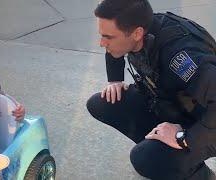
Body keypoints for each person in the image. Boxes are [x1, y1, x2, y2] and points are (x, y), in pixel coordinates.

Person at [86, 0, 216, 179]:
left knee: (144, 159)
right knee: (103, 102)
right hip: (170, 103)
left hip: (207, 124)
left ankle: (198, 174)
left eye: (108, 37)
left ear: (137, 33)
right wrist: (115, 79)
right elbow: (114, 46)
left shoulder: (181, 57)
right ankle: (160, 151)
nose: (102, 43)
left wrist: (182, 138)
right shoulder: (137, 25)